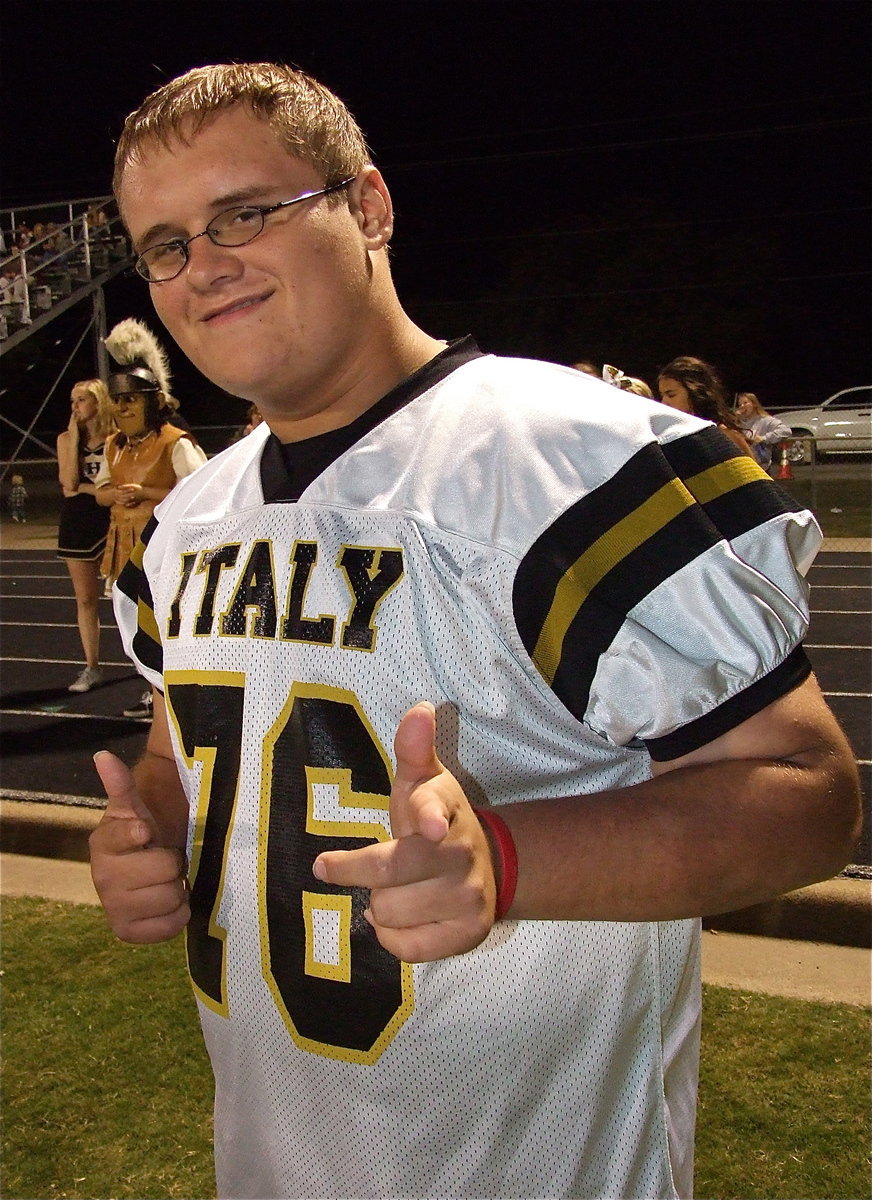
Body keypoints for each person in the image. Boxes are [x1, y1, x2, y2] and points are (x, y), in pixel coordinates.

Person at [88, 63, 860, 1200]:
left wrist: (505, 861)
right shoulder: (186, 520)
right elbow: (178, 752)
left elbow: (808, 797)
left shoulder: (566, 462)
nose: (201, 267)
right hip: (267, 1159)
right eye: (164, 244)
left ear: (370, 208)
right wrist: (149, 830)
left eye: (243, 213)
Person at [94, 317, 207, 717]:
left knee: (169, 623)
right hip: (125, 544)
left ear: (152, 403)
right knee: (134, 621)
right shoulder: (115, 446)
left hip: (167, 548)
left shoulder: (175, 443)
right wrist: (111, 494)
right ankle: (153, 690)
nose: (122, 408)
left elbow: (202, 493)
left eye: (131, 400)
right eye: (118, 401)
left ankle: (169, 694)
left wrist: (148, 494)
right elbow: (101, 491)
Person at [56, 378, 115, 692]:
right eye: (72, 401)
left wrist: (86, 488)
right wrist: (75, 437)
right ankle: (91, 666)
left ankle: (146, 663)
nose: (75, 407)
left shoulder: (116, 438)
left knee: (128, 597)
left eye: (81, 400)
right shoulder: (66, 439)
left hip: (114, 519)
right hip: (78, 521)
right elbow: (68, 483)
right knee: (86, 598)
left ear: (98, 402)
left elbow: (116, 484)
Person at [657, 355, 755, 457]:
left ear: (696, 393)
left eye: (671, 395)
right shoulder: (668, 439)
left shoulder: (726, 438)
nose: (664, 403)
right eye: (662, 395)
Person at [735, 391, 792, 471]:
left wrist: (764, 438)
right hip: (743, 466)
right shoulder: (738, 423)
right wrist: (734, 421)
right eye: (740, 404)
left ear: (754, 404)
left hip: (761, 467)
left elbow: (785, 431)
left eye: (745, 403)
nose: (742, 406)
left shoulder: (766, 420)